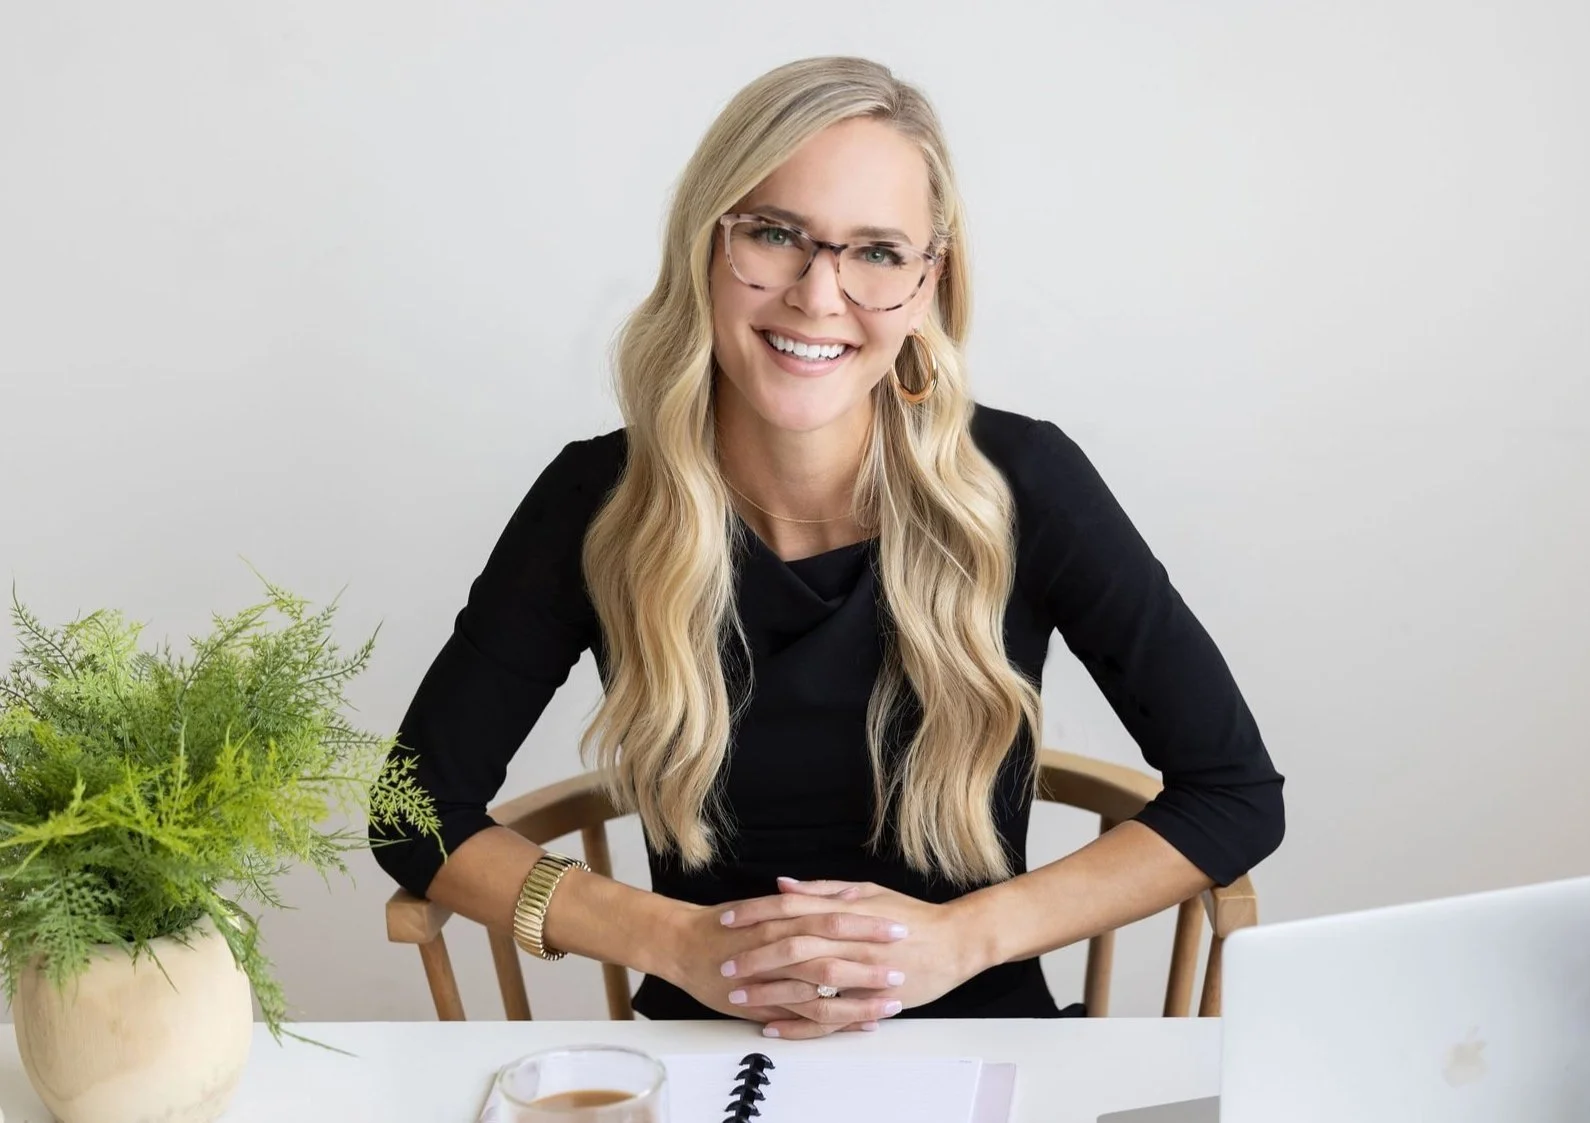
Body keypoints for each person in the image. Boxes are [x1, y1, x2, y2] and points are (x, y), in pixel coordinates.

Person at [372, 55, 1284, 1040]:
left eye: (877, 252)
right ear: (703, 246)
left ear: (929, 281)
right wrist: (673, 941)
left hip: (984, 1039)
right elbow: (413, 808)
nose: (818, 295)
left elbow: (1232, 793)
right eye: (774, 234)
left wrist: (961, 940)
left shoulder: (1024, 481)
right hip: (702, 1050)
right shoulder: (595, 500)